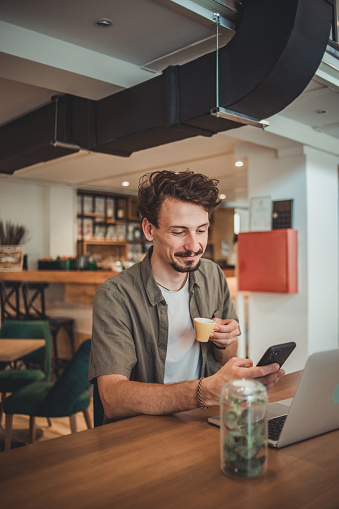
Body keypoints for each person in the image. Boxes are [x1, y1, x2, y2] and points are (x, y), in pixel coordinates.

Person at [89, 170, 284, 423]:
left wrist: (225, 341)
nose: (194, 246)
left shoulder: (213, 275)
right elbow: (113, 399)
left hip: (204, 420)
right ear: (149, 229)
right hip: (142, 432)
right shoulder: (115, 296)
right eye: (179, 232)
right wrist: (204, 392)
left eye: (201, 230)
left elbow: (227, 356)